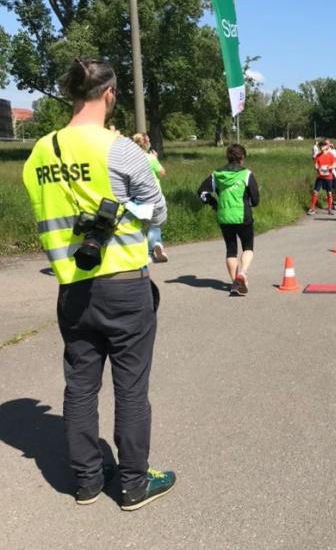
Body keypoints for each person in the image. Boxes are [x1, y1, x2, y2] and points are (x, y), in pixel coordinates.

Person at [22, 57, 175, 510]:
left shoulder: (40, 152)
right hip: (124, 283)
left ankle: (87, 480)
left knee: (80, 386)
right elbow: (159, 211)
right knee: (131, 388)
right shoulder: (119, 148)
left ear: (72, 92)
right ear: (109, 93)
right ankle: (134, 483)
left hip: (72, 287)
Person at [198, 143, 261, 295]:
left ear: (228, 157)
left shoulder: (216, 174)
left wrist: (215, 203)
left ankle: (235, 283)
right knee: (248, 247)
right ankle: (243, 273)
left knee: (231, 249)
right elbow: (256, 200)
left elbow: (202, 193)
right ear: (242, 157)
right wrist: (249, 203)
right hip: (243, 216)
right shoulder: (246, 174)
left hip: (224, 217)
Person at [132, 132, 168, 263]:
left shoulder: (130, 159)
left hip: (137, 196)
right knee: (156, 224)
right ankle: (151, 251)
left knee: (141, 225)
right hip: (154, 195)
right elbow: (162, 172)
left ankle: (156, 245)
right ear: (146, 143)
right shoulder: (150, 158)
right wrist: (155, 158)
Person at [308, 139, 336, 215]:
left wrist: (330, 167)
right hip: (320, 176)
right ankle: (312, 208)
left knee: (329, 192)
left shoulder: (330, 155)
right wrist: (316, 167)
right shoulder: (318, 155)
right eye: (320, 146)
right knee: (315, 192)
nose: (321, 148)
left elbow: (335, 164)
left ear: (326, 146)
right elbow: (316, 164)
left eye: (322, 146)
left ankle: (330, 208)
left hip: (328, 177)